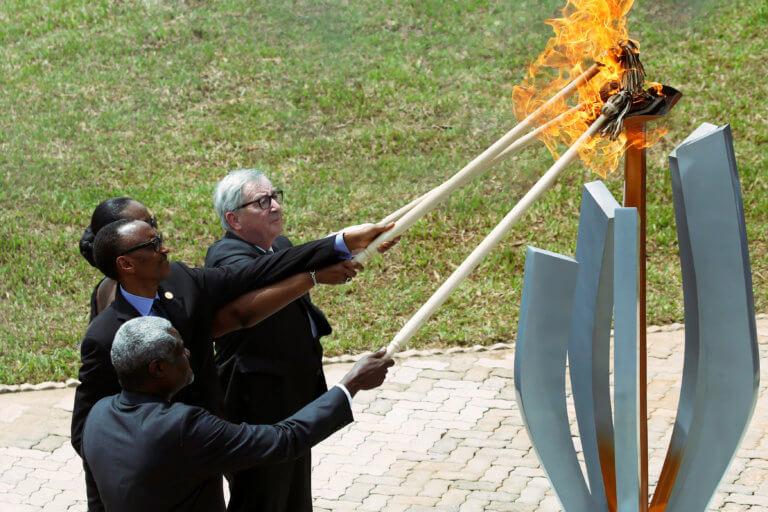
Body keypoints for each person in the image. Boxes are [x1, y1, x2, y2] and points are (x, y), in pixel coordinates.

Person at [72, 217, 391, 511]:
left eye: (161, 239)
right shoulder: (104, 337)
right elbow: (86, 433)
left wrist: (341, 242)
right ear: (126, 263)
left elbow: (255, 272)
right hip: (161, 472)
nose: (165, 249)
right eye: (153, 245)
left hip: (210, 445)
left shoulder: (182, 282)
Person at [205, 168, 397, 511]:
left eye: (275, 196)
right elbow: (281, 278)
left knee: (294, 495)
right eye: (262, 202)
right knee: (262, 496)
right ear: (233, 219)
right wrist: (317, 272)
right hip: (256, 404)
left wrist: (361, 248)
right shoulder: (226, 257)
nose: (275, 206)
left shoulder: (278, 246)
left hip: (292, 395)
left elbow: (295, 264)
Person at [82, 316, 394, 512]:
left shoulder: (98, 416)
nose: (188, 353)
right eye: (179, 350)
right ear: (158, 368)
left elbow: (97, 503)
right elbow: (284, 440)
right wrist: (350, 384)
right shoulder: (182, 427)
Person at [79, 197, 158, 320]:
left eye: (153, 222)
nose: (156, 232)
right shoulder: (128, 301)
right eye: (146, 226)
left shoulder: (117, 282)